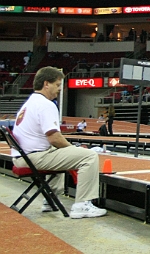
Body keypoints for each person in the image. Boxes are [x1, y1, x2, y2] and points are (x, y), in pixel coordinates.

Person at [10, 66, 107, 218]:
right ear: (46, 84)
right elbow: (54, 138)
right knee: (89, 156)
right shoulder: (46, 105)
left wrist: (68, 151)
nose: (59, 89)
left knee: (58, 153)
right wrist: (72, 149)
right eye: (57, 85)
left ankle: (49, 200)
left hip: (22, 158)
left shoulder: (29, 103)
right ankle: (82, 205)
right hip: (33, 158)